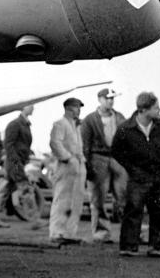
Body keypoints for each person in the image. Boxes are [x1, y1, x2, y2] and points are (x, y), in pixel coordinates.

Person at [112, 92, 160, 258]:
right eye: (156, 107)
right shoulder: (125, 128)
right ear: (144, 110)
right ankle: (129, 247)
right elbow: (116, 150)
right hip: (139, 177)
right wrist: (131, 168)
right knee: (133, 209)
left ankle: (156, 247)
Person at [80, 87, 128, 241]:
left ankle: (131, 232)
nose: (110, 101)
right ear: (99, 99)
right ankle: (102, 233)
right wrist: (87, 166)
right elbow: (85, 145)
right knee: (98, 199)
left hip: (118, 160)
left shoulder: (120, 117)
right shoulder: (90, 120)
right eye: (107, 98)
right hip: (97, 159)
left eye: (112, 98)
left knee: (124, 196)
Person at [48, 98, 87, 245]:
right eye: (76, 108)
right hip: (65, 165)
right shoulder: (60, 124)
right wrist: (67, 158)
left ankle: (70, 232)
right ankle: (57, 231)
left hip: (78, 164)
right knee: (62, 199)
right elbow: (55, 143)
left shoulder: (77, 126)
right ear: (68, 108)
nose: (78, 110)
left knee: (76, 200)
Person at [0, 105, 35, 228]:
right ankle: (34, 218)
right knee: (26, 189)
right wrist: (16, 164)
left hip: (16, 163)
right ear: (23, 108)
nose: (33, 108)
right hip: (15, 164)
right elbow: (8, 145)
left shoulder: (25, 124)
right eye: (30, 106)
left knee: (3, 191)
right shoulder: (15, 124)